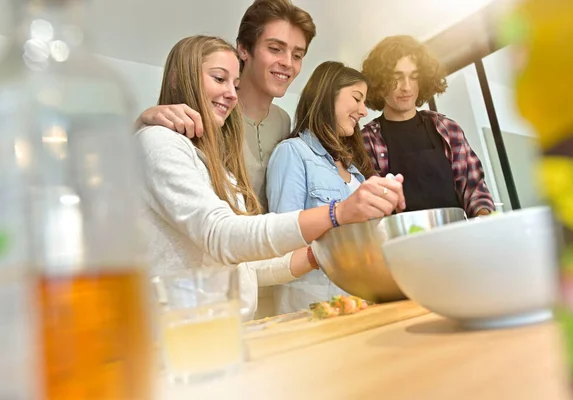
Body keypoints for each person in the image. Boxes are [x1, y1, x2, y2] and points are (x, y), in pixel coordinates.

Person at [135, 35, 405, 321]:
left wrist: (321, 255)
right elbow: (222, 235)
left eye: (235, 85)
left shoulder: (221, 170)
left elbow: (247, 265)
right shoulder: (159, 142)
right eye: (219, 78)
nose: (231, 94)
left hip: (228, 329)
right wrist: (338, 213)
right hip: (184, 335)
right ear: (179, 78)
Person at [136, 0, 315, 209]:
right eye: (275, 49)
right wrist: (141, 123)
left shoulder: (282, 120)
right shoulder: (209, 113)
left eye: (297, 55)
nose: (288, 63)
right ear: (244, 49)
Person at [266, 61, 404, 313]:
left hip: (357, 301)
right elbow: (283, 240)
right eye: (357, 98)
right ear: (329, 94)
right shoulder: (292, 153)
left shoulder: (355, 170)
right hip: (310, 306)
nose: (364, 111)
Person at [361, 35, 495, 217]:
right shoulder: (366, 141)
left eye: (414, 77)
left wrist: (483, 217)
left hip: (456, 238)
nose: (407, 87)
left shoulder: (448, 129)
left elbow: (474, 189)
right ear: (379, 81)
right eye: (396, 78)